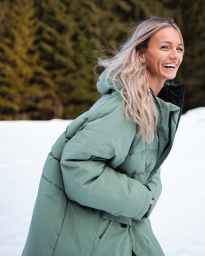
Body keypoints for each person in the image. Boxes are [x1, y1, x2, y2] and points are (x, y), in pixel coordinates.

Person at [22, 16, 185, 256]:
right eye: (165, 47)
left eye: (179, 48)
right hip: (87, 237)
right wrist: (143, 200)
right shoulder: (123, 107)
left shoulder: (151, 106)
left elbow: (148, 168)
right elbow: (77, 164)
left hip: (121, 225)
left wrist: (148, 196)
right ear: (142, 54)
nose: (175, 55)